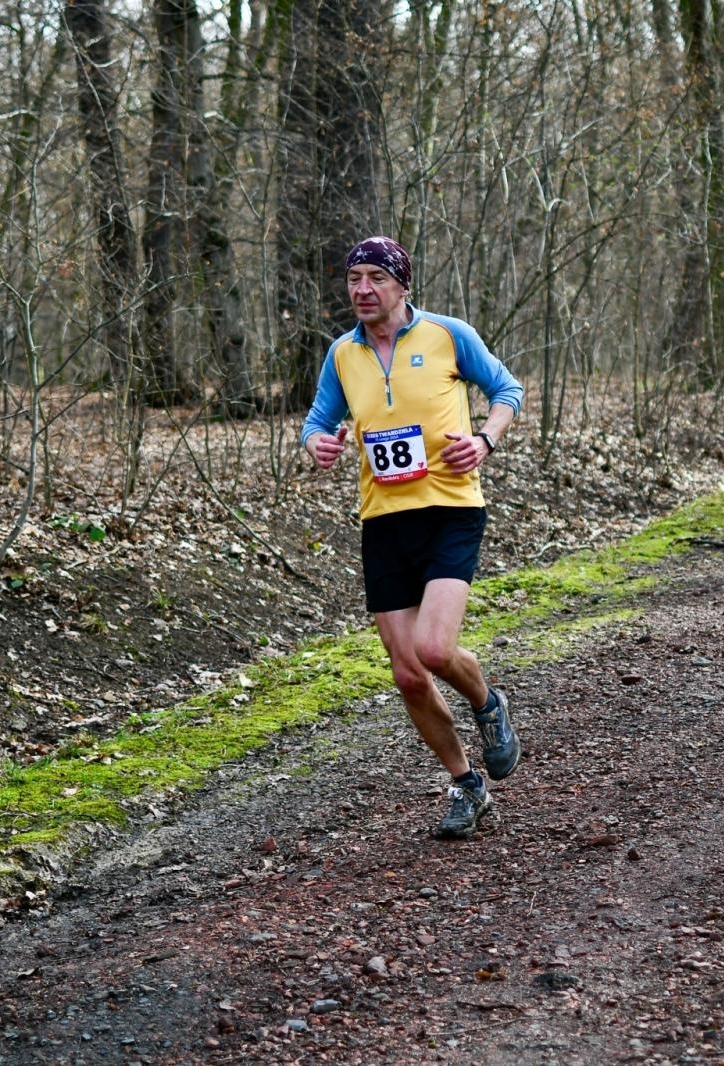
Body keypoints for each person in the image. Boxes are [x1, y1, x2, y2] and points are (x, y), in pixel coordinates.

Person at [301, 236, 524, 839]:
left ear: (403, 285)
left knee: (432, 649)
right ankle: (465, 784)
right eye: (354, 279)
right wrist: (316, 442)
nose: (362, 290)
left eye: (376, 277)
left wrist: (483, 440)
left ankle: (487, 704)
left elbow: (508, 392)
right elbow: (318, 421)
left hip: (450, 509)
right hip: (383, 519)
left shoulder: (449, 334)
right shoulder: (341, 354)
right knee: (406, 674)